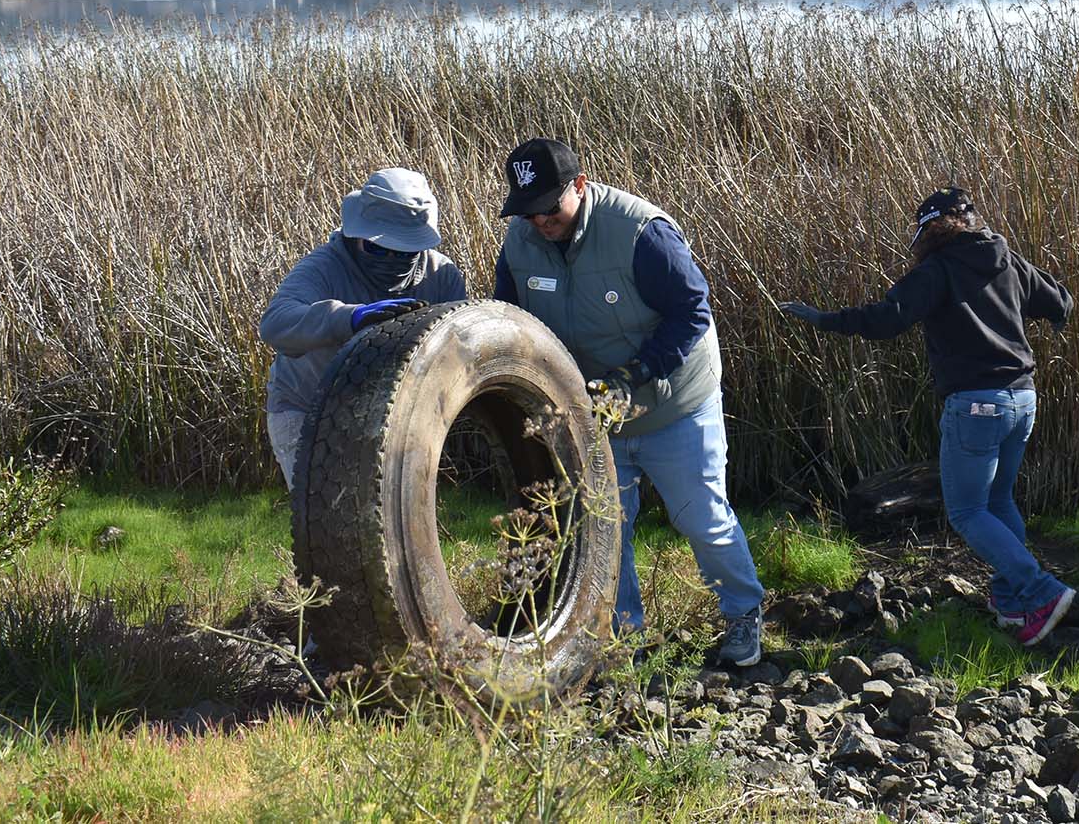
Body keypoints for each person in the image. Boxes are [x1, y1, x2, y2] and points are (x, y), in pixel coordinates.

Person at [492, 137, 766, 666]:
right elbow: (511, 322)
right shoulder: (520, 244)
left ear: (580, 185)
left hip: (674, 402)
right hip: (594, 411)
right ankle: (623, 639)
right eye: (527, 211)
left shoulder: (641, 232)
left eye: (550, 207)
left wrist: (634, 375)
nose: (540, 221)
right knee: (604, 525)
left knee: (701, 516)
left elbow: (692, 312)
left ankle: (741, 614)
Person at [778, 188, 1078, 647]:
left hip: (977, 404)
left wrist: (825, 319)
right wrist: (1056, 314)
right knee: (999, 503)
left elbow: (887, 318)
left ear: (932, 230)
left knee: (967, 511)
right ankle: (1012, 600)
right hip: (1022, 399)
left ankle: (1041, 591)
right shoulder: (1006, 257)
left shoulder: (937, 271)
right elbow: (1059, 298)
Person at [260, 168, 468, 488]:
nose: (390, 259)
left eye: (403, 252)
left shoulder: (441, 276)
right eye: (378, 248)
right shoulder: (324, 267)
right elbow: (275, 324)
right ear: (358, 235)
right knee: (326, 516)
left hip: (387, 417)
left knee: (383, 521)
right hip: (307, 409)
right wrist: (347, 318)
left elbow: (457, 352)